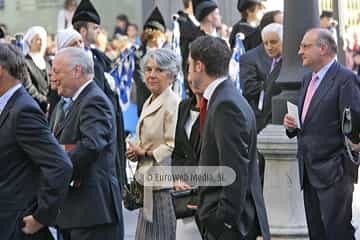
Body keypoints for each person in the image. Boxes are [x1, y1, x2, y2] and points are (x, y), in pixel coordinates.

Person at [188, 35, 270, 240]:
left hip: (231, 228)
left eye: (189, 64)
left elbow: (235, 170)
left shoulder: (226, 105)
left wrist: (221, 220)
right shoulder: (223, 97)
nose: (188, 71)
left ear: (199, 66)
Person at [283, 28, 360, 240]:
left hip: (335, 173)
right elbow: (308, 123)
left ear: (323, 48)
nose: (299, 52)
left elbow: (353, 127)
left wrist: (346, 163)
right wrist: (292, 125)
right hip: (309, 173)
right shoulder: (308, 79)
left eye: (305, 46)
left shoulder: (345, 79)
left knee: (338, 233)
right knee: (317, 233)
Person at [0, 43, 73, 240]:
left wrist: (41, 217)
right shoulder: (8, 104)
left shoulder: (23, 110)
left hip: (16, 227)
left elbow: (60, 165)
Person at [51, 47, 124, 240]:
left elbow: (91, 146)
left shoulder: (94, 101)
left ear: (76, 71)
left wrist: (56, 167)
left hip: (93, 213)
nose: (52, 77)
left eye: (57, 71)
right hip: (78, 213)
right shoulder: (78, 101)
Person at [72, 0, 127, 193]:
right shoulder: (70, 60)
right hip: (88, 127)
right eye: (95, 28)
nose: (99, 31)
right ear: (83, 30)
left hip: (108, 123)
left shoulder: (98, 57)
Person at [126, 48, 181, 240]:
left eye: (158, 70)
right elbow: (146, 138)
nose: (151, 75)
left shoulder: (172, 102)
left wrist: (146, 153)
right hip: (147, 182)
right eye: (148, 70)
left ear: (171, 74)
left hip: (162, 185)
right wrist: (135, 149)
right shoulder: (150, 100)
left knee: (162, 235)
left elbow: (172, 144)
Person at [172, 56, 203, 240]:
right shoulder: (183, 107)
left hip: (205, 189)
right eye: (190, 75)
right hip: (183, 192)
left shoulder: (217, 109)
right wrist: (177, 177)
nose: (193, 81)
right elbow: (177, 150)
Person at [133, 6, 168, 116]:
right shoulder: (138, 55)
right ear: (153, 36)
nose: (163, 41)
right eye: (161, 38)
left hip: (164, 104)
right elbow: (140, 79)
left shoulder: (166, 55)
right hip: (145, 102)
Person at [259, 23, 283, 128]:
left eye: (273, 42)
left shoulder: (286, 66)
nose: (269, 47)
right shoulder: (271, 62)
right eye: (265, 43)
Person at [22, 26, 50, 113]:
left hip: (50, 109)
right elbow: (29, 88)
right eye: (38, 39)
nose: (41, 43)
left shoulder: (47, 62)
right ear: (30, 42)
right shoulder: (25, 62)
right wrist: (45, 103)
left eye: (43, 39)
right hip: (35, 109)